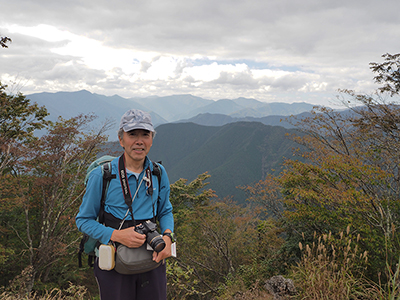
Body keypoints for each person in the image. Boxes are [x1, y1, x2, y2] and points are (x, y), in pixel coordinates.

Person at [76, 109, 174, 300]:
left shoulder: (158, 173)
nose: (139, 141)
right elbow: (83, 220)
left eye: (145, 134)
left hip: (151, 258)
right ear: (121, 139)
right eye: (132, 134)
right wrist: (117, 235)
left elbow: (166, 210)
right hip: (113, 263)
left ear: (152, 139)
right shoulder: (103, 176)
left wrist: (168, 236)